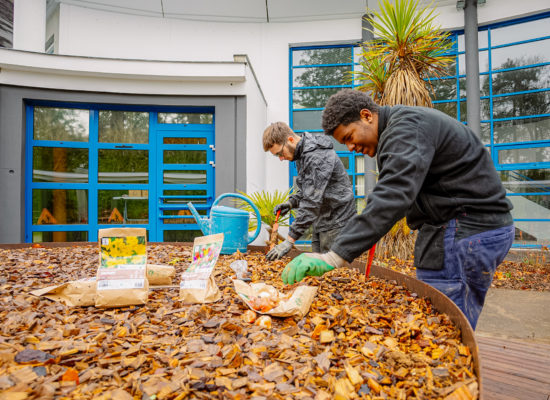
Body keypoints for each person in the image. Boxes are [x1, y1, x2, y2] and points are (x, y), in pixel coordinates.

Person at [281, 89, 515, 329]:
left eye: (349, 137)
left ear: (367, 116)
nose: (350, 147)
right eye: (345, 143)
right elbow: (396, 195)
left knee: (445, 328)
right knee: (438, 317)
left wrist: (334, 256)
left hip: (467, 231)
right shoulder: (401, 128)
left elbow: (393, 194)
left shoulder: (406, 129)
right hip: (461, 228)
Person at [262, 122, 356, 261]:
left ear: (290, 140)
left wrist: (289, 240)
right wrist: (290, 203)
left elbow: (312, 201)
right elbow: (308, 190)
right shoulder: (302, 155)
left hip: (337, 221)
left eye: (280, 153)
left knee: (333, 274)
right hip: (322, 220)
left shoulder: (317, 157)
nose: (281, 159)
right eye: (277, 156)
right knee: (318, 269)